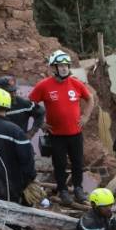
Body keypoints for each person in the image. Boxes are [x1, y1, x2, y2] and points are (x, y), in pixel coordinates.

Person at [29, 50, 94, 205]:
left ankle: (78, 188)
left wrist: (85, 116)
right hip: (56, 134)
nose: (64, 68)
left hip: (75, 133)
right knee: (59, 164)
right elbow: (30, 104)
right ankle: (63, 190)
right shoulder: (44, 85)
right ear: (54, 68)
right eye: (60, 65)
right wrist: (40, 123)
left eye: (66, 65)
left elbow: (90, 98)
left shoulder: (76, 83)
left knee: (77, 162)